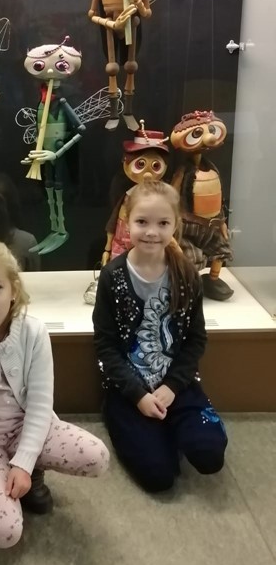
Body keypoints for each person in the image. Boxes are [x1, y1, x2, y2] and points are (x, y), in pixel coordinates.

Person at [0, 241, 109, 548]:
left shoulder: (34, 333)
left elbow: (40, 404)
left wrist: (25, 464)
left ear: (13, 290)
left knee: (97, 456)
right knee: (3, 533)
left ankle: (31, 473)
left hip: (25, 427)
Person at [93, 180, 228, 492]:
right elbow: (105, 346)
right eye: (142, 222)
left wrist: (172, 386)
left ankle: (174, 425)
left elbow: (195, 339)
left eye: (163, 223)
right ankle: (136, 424)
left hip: (177, 384)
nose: (152, 232)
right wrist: (138, 395)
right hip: (128, 390)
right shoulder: (112, 276)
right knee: (159, 476)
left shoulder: (187, 275)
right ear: (127, 222)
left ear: (175, 225)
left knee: (210, 455)